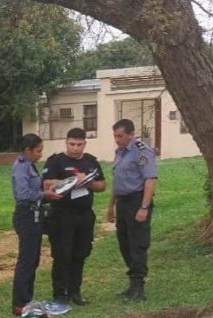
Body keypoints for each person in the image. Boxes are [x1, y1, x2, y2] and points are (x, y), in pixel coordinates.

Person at [42, 128, 105, 306]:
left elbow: (102, 185)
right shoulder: (56, 161)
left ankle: (75, 292)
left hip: (84, 215)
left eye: (79, 144)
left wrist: (88, 182)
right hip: (62, 215)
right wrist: (71, 181)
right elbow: (46, 183)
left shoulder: (91, 162)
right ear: (66, 143)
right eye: (72, 144)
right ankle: (59, 294)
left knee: (80, 254)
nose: (75, 148)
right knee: (62, 255)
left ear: (85, 144)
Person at [106, 119, 157, 302]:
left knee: (137, 244)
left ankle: (139, 288)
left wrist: (144, 207)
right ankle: (132, 284)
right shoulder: (119, 152)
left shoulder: (142, 151)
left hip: (137, 200)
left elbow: (150, 180)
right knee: (124, 243)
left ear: (131, 134)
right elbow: (116, 181)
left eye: (120, 136)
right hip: (122, 202)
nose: (117, 140)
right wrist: (111, 206)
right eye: (115, 136)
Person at [11, 133, 62, 313]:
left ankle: (27, 299)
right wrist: (44, 195)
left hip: (35, 215)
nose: (41, 154)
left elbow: (34, 189)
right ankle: (20, 303)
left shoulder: (29, 166)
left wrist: (48, 189)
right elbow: (23, 194)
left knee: (33, 260)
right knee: (26, 260)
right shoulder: (20, 168)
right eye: (38, 151)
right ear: (27, 150)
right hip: (26, 215)